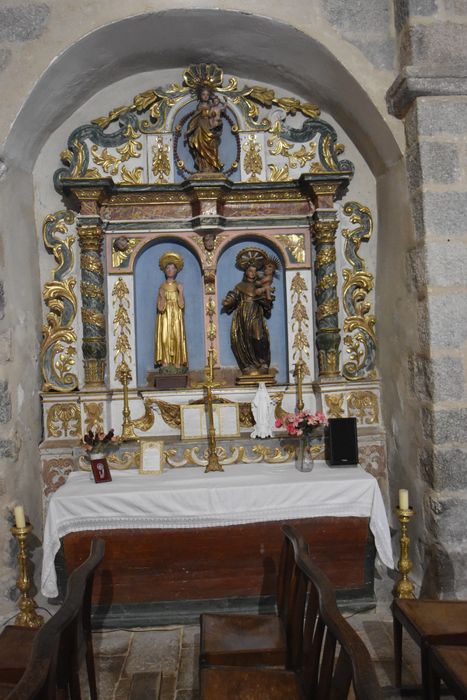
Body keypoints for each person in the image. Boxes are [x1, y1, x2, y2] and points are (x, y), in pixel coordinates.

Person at [222, 248, 275, 375]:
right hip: (243, 315)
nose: (252, 272)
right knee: (244, 339)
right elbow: (233, 296)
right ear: (246, 272)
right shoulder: (240, 286)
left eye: (255, 271)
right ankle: (248, 364)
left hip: (255, 313)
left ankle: (262, 363)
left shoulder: (260, 286)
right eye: (250, 270)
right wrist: (228, 301)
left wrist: (266, 300)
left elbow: (267, 303)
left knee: (258, 337)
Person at [154, 252, 188, 371]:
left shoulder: (179, 286)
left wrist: (181, 292)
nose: (170, 270)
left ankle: (178, 363)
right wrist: (163, 297)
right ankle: (165, 362)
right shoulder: (162, 287)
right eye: (167, 268)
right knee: (164, 339)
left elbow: (182, 305)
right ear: (164, 270)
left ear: (176, 270)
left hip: (177, 317)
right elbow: (160, 308)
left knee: (177, 338)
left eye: (172, 268)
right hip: (165, 317)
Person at [186, 88, 224, 172]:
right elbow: (195, 118)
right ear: (200, 96)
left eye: (207, 94)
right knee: (200, 145)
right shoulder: (199, 107)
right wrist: (190, 129)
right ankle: (203, 166)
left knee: (212, 144)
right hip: (200, 127)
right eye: (203, 94)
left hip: (209, 127)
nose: (205, 96)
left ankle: (212, 166)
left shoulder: (212, 106)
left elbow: (216, 115)